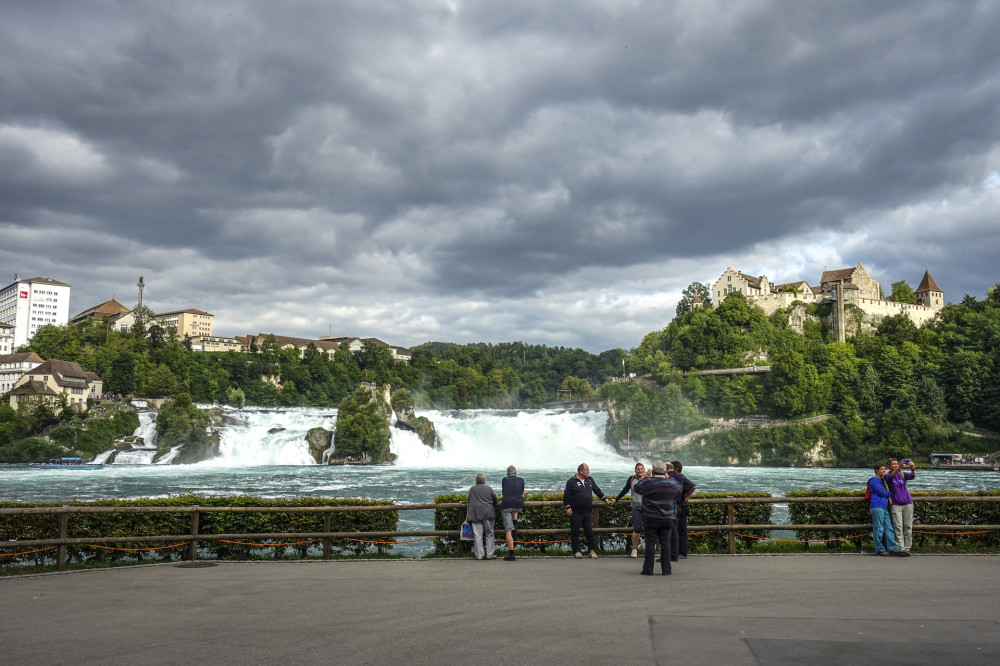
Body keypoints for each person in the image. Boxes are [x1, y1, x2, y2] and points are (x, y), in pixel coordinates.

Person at [633, 461, 683, 575]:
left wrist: (646, 476)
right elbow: (680, 488)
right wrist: (668, 477)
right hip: (668, 518)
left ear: (653, 471)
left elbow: (637, 487)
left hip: (650, 517)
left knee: (650, 543)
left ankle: (648, 570)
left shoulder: (648, 482)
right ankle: (666, 570)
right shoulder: (672, 484)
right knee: (665, 543)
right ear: (665, 471)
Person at [563, 463, 611, 559]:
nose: (589, 471)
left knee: (589, 531)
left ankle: (592, 550)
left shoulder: (589, 479)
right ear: (581, 471)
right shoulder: (571, 481)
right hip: (575, 511)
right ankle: (577, 551)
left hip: (587, 511)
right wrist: (568, 507)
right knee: (575, 532)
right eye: (587, 470)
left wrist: (604, 498)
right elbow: (566, 496)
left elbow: (596, 489)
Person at [868, 464, 907, 557]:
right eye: (881, 469)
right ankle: (879, 549)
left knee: (888, 527)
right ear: (876, 470)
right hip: (876, 505)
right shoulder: (874, 480)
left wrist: (888, 495)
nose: (884, 471)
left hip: (884, 506)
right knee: (878, 528)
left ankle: (892, 547)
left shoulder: (882, 480)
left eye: (884, 469)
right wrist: (890, 494)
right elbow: (879, 491)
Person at [612, 462, 648, 558]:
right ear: (635, 470)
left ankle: (649, 549)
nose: (640, 471)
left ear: (644, 470)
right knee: (637, 528)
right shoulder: (632, 479)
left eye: (641, 469)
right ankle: (634, 549)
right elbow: (625, 489)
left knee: (649, 528)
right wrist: (616, 499)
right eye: (638, 469)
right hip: (635, 506)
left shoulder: (648, 479)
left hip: (648, 507)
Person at [886, 458, 916, 554]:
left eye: (896, 464)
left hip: (907, 502)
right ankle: (900, 547)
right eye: (893, 464)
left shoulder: (902, 474)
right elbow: (890, 477)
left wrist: (912, 468)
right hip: (896, 504)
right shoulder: (888, 475)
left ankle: (907, 547)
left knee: (908, 526)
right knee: (898, 526)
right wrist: (899, 467)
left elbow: (912, 476)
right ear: (889, 466)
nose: (895, 465)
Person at [668, 460, 697, 560]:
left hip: (682, 506)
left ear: (676, 469)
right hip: (680, 506)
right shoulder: (678, 477)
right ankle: (677, 551)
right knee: (677, 529)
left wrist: (686, 496)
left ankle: (683, 552)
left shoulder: (681, 477)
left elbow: (693, 486)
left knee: (681, 529)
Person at [467, 472, 498, 560]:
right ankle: (489, 554)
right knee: (490, 534)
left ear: (476, 480)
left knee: (478, 535)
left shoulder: (472, 489)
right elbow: (495, 500)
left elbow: (469, 499)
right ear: (484, 480)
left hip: (475, 514)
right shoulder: (489, 488)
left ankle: (479, 555)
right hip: (488, 513)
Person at [501, 465, 527, 561]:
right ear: (515, 473)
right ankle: (515, 522)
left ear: (507, 474)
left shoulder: (504, 480)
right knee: (515, 507)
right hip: (518, 505)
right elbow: (520, 491)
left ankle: (512, 555)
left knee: (508, 531)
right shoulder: (521, 480)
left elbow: (504, 493)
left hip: (507, 505)